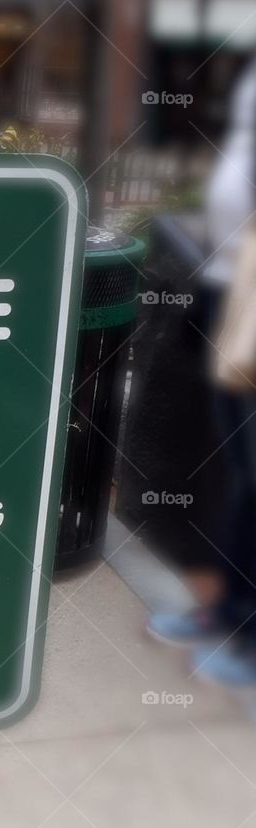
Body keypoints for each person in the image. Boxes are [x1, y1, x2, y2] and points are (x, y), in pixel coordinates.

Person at [147, 53, 256, 688]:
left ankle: (246, 630)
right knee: (242, 473)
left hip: (250, 301)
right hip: (227, 292)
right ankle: (227, 612)